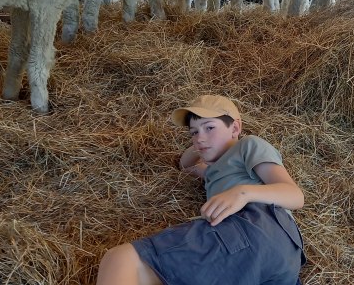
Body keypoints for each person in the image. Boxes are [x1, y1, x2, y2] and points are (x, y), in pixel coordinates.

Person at [96, 94, 306, 285]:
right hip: (279, 260)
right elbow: (185, 165)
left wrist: (243, 193)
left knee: (121, 259)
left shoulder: (248, 145)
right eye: (194, 132)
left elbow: (295, 196)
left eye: (210, 127)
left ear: (235, 128)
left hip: (256, 227)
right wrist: (202, 144)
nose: (199, 138)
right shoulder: (213, 171)